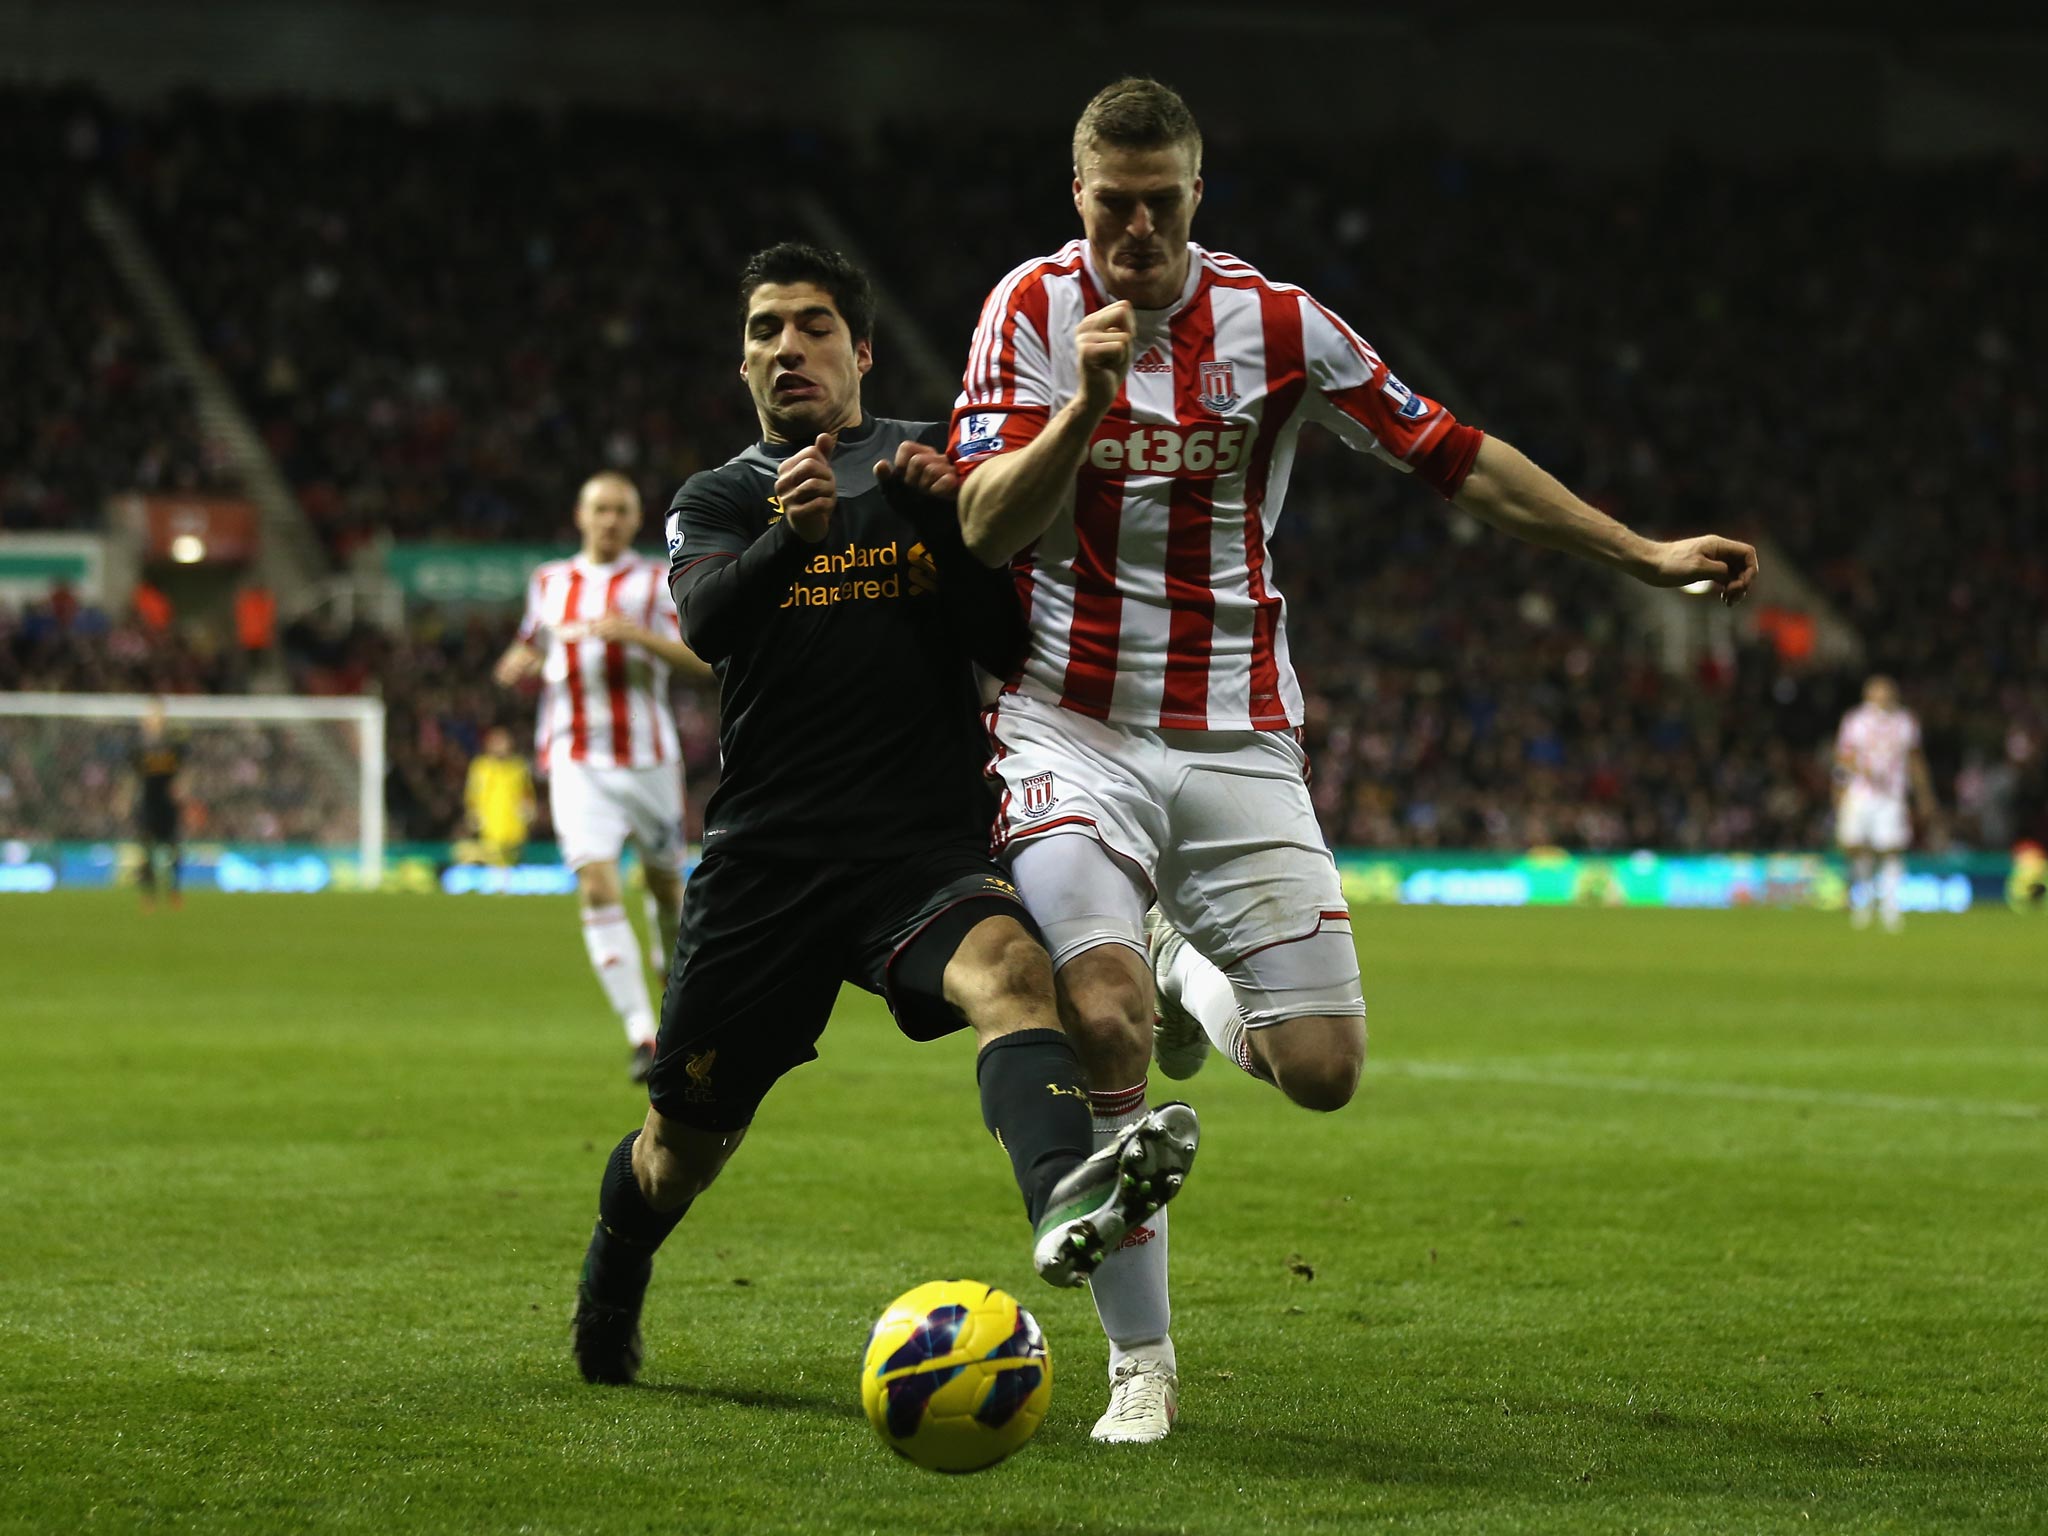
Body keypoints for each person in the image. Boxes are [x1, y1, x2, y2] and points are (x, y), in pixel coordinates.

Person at [948, 77, 1762, 1442]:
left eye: (1162, 202)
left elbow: (1455, 457)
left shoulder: (1279, 325)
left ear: (1199, 198)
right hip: (1063, 727)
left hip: (1237, 732)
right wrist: (1083, 409)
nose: (1136, 228)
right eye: (1113, 203)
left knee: (1321, 1067)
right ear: (1075, 194)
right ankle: (1141, 1367)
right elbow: (979, 526)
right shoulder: (1026, 313)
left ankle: (1182, 968)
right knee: (1096, 1020)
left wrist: (1644, 553)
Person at [568, 241, 1200, 1388]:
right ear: (744, 363)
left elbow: (1003, 642)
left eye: (810, 326)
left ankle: (1068, 1189)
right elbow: (707, 623)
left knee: (1012, 974)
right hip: (765, 870)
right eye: (764, 330)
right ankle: (613, 1276)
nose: (786, 348)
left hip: (917, 846)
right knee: (680, 1153)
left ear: (858, 350)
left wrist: (950, 533)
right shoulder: (718, 496)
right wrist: (784, 542)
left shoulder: (937, 461)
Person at [493, 472, 712, 1082]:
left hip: (649, 759)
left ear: (634, 519)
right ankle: (643, 1034)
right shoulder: (549, 582)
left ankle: (670, 1004)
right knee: (595, 884)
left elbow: (703, 660)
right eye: (600, 509)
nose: (609, 519)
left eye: (621, 510)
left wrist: (637, 636)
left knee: (667, 890)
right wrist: (518, 663)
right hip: (574, 757)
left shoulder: (654, 581)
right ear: (580, 515)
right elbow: (530, 646)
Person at [1834, 675, 1937, 931]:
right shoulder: (1855, 720)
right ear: (1867, 694)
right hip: (1860, 792)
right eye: (1877, 691)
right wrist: (1844, 785)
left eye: (1886, 691)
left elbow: (1915, 759)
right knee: (1856, 845)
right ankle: (1864, 900)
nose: (1882, 696)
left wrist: (1924, 794)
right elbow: (1843, 757)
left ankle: (1890, 907)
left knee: (1892, 847)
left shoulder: (1905, 722)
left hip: (1892, 794)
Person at [132, 700, 183, 908]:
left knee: (173, 847)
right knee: (147, 850)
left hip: (167, 804)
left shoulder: (173, 746)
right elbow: (132, 776)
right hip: (147, 804)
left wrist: (182, 790)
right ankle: (149, 894)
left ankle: (174, 890)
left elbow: (184, 773)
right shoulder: (139, 748)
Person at [462, 725, 537, 866]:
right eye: (497, 742)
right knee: (493, 859)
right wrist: (473, 813)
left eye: (503, 741)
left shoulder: (518, 766)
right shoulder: (481, 767)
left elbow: (527, 792)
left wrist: (528, 809)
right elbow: (472, 793)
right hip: (491, 824)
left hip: (515, 825)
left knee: (514, 860)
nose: (501, 745)